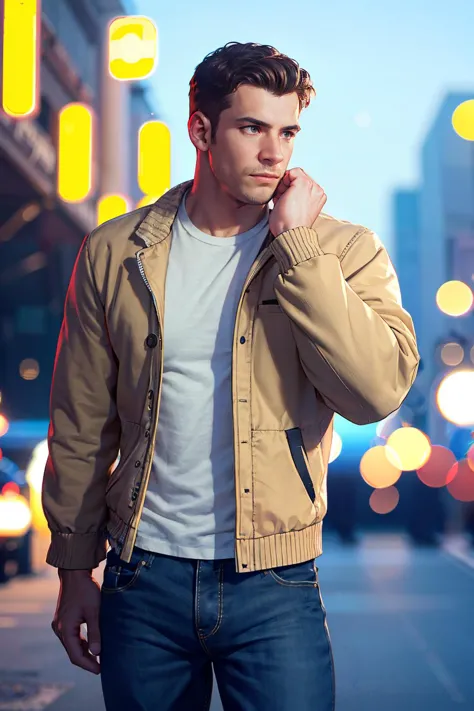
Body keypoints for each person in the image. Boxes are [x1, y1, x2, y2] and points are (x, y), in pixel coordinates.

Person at [42, 41, 420, 711]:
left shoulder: (342, 250)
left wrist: (299, 250)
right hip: (143, 577)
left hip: (275, 581)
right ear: (201, 130)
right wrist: (75, 567)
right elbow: (80, 423)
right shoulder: (116, 254)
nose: (275, 153)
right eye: (252, 128)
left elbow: (376, 391)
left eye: (288, 132)